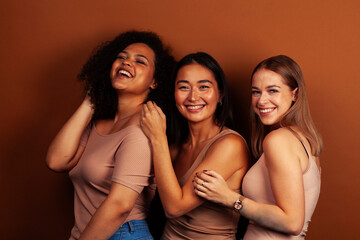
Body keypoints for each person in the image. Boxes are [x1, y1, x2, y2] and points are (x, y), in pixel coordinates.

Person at [46, 31, 175, 240]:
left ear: (154, 82)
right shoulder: (99, 124)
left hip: (123, 234)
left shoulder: (142, 129)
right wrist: (91, 100)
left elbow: (120, 205)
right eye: (122, 57)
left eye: (140, 61)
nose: (127, 63)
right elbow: (56, 161)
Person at [193, 55, 323, 239]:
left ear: (295, 94)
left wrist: (229, 198)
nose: (261, 101)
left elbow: (292, 222)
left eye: (272, 91)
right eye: (256, 92)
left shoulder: (279, 140)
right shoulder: (304, 139)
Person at [140, 52, 249, 239]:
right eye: (183, 87)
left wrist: (157, 137)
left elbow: (174, 208)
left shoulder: (230, 145)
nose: (193, 96)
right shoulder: (175, 147)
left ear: (220, 94)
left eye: (204, 87)